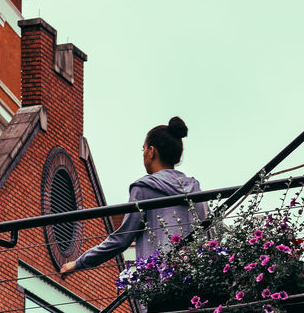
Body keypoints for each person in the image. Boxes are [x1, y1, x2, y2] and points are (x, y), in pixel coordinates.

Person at [60, 116, 208, 277]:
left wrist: (78, 263)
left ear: (152, 151)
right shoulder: (195, 190)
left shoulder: (145, 188)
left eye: (143, 149)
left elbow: (121, 240)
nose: (143, 154)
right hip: (195, 281)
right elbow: (207, 235)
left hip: (159, 283)